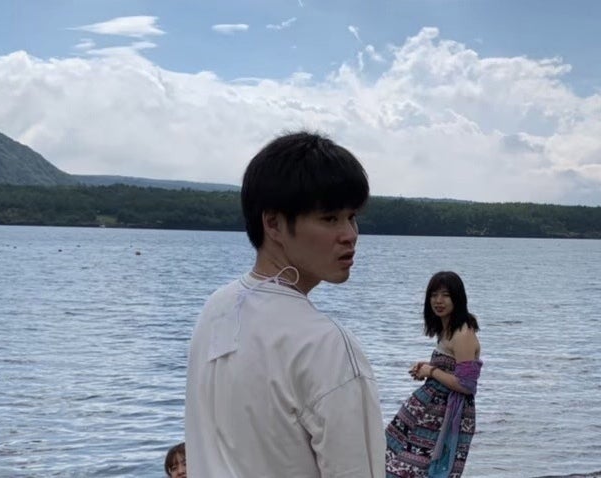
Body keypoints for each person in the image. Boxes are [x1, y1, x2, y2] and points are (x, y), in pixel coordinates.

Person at [185, 131, 385, 477]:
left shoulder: (218, 308)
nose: (350, 234)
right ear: (274, 223)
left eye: (352, 216)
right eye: (330, 218)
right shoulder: (325, 345)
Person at [385, 271, 482, 478]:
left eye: (445, 295)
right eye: (434, 295)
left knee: (416, 469)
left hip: (444, 416)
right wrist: (427, 368)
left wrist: (431, 371)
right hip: (428, 412)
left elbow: (466, 384)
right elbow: (452, 367)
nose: (438, 301)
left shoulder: (462, 333)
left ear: (458, 298)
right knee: (391, 456)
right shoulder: (446, 328)